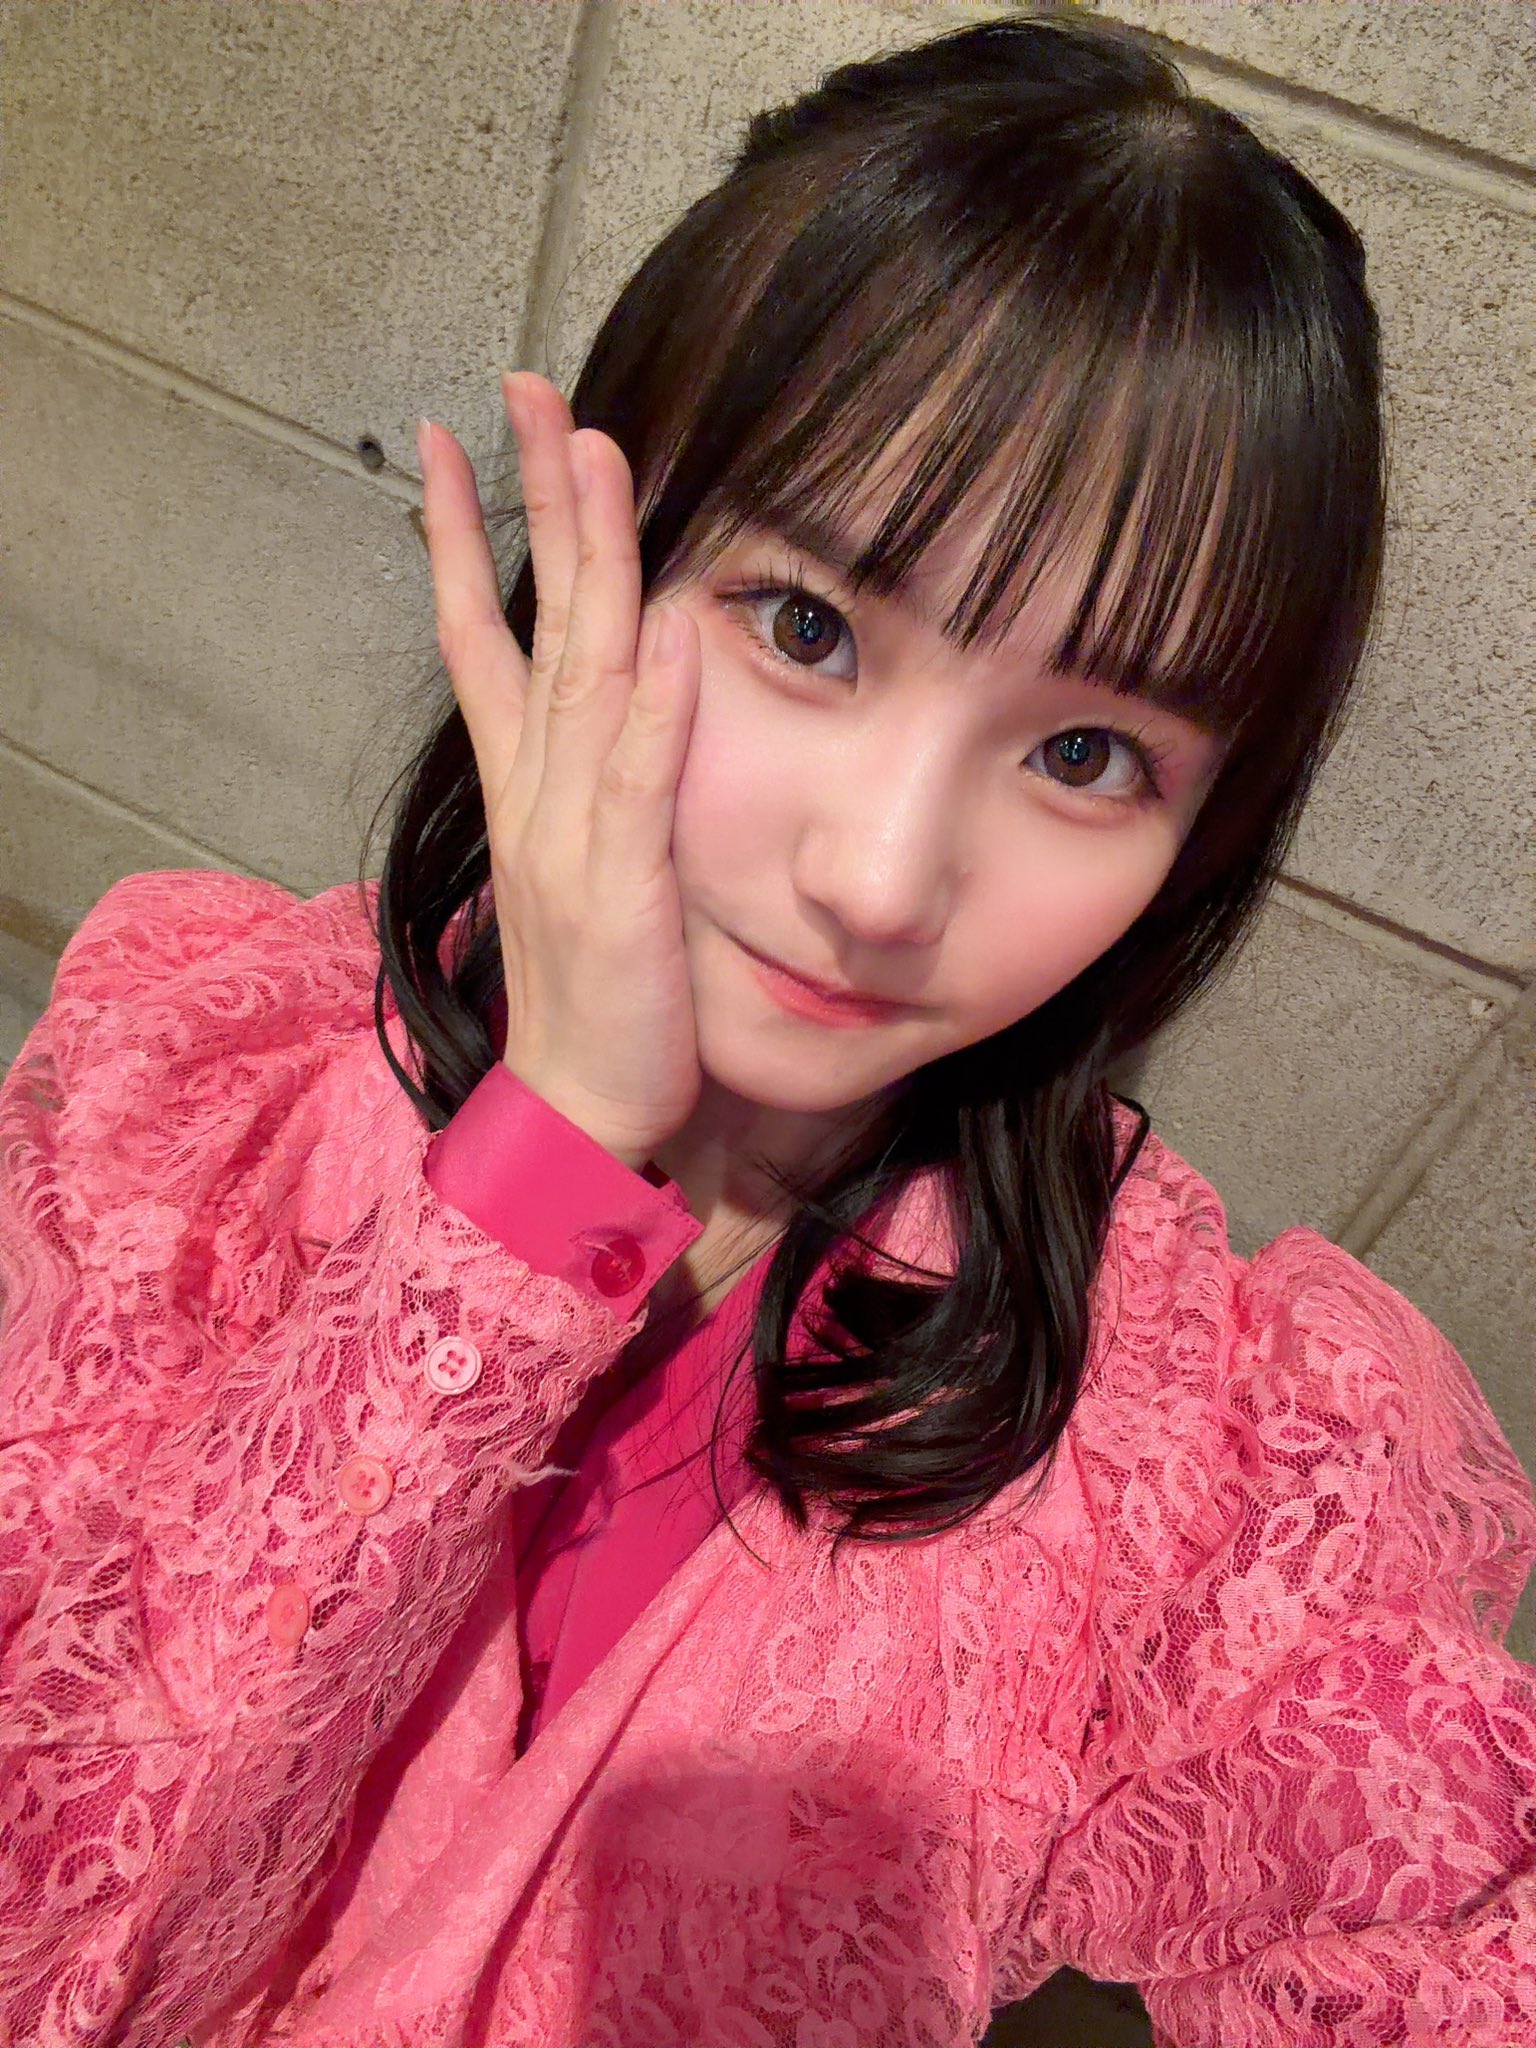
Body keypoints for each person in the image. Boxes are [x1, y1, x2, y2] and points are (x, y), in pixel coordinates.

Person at [2, 12, 1532, 2046]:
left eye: (1086, 754)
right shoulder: (186, 1108)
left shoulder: (1192, 1453)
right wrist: (537, 1167)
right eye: (809, 628)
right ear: (611, 558)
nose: (882, 880)